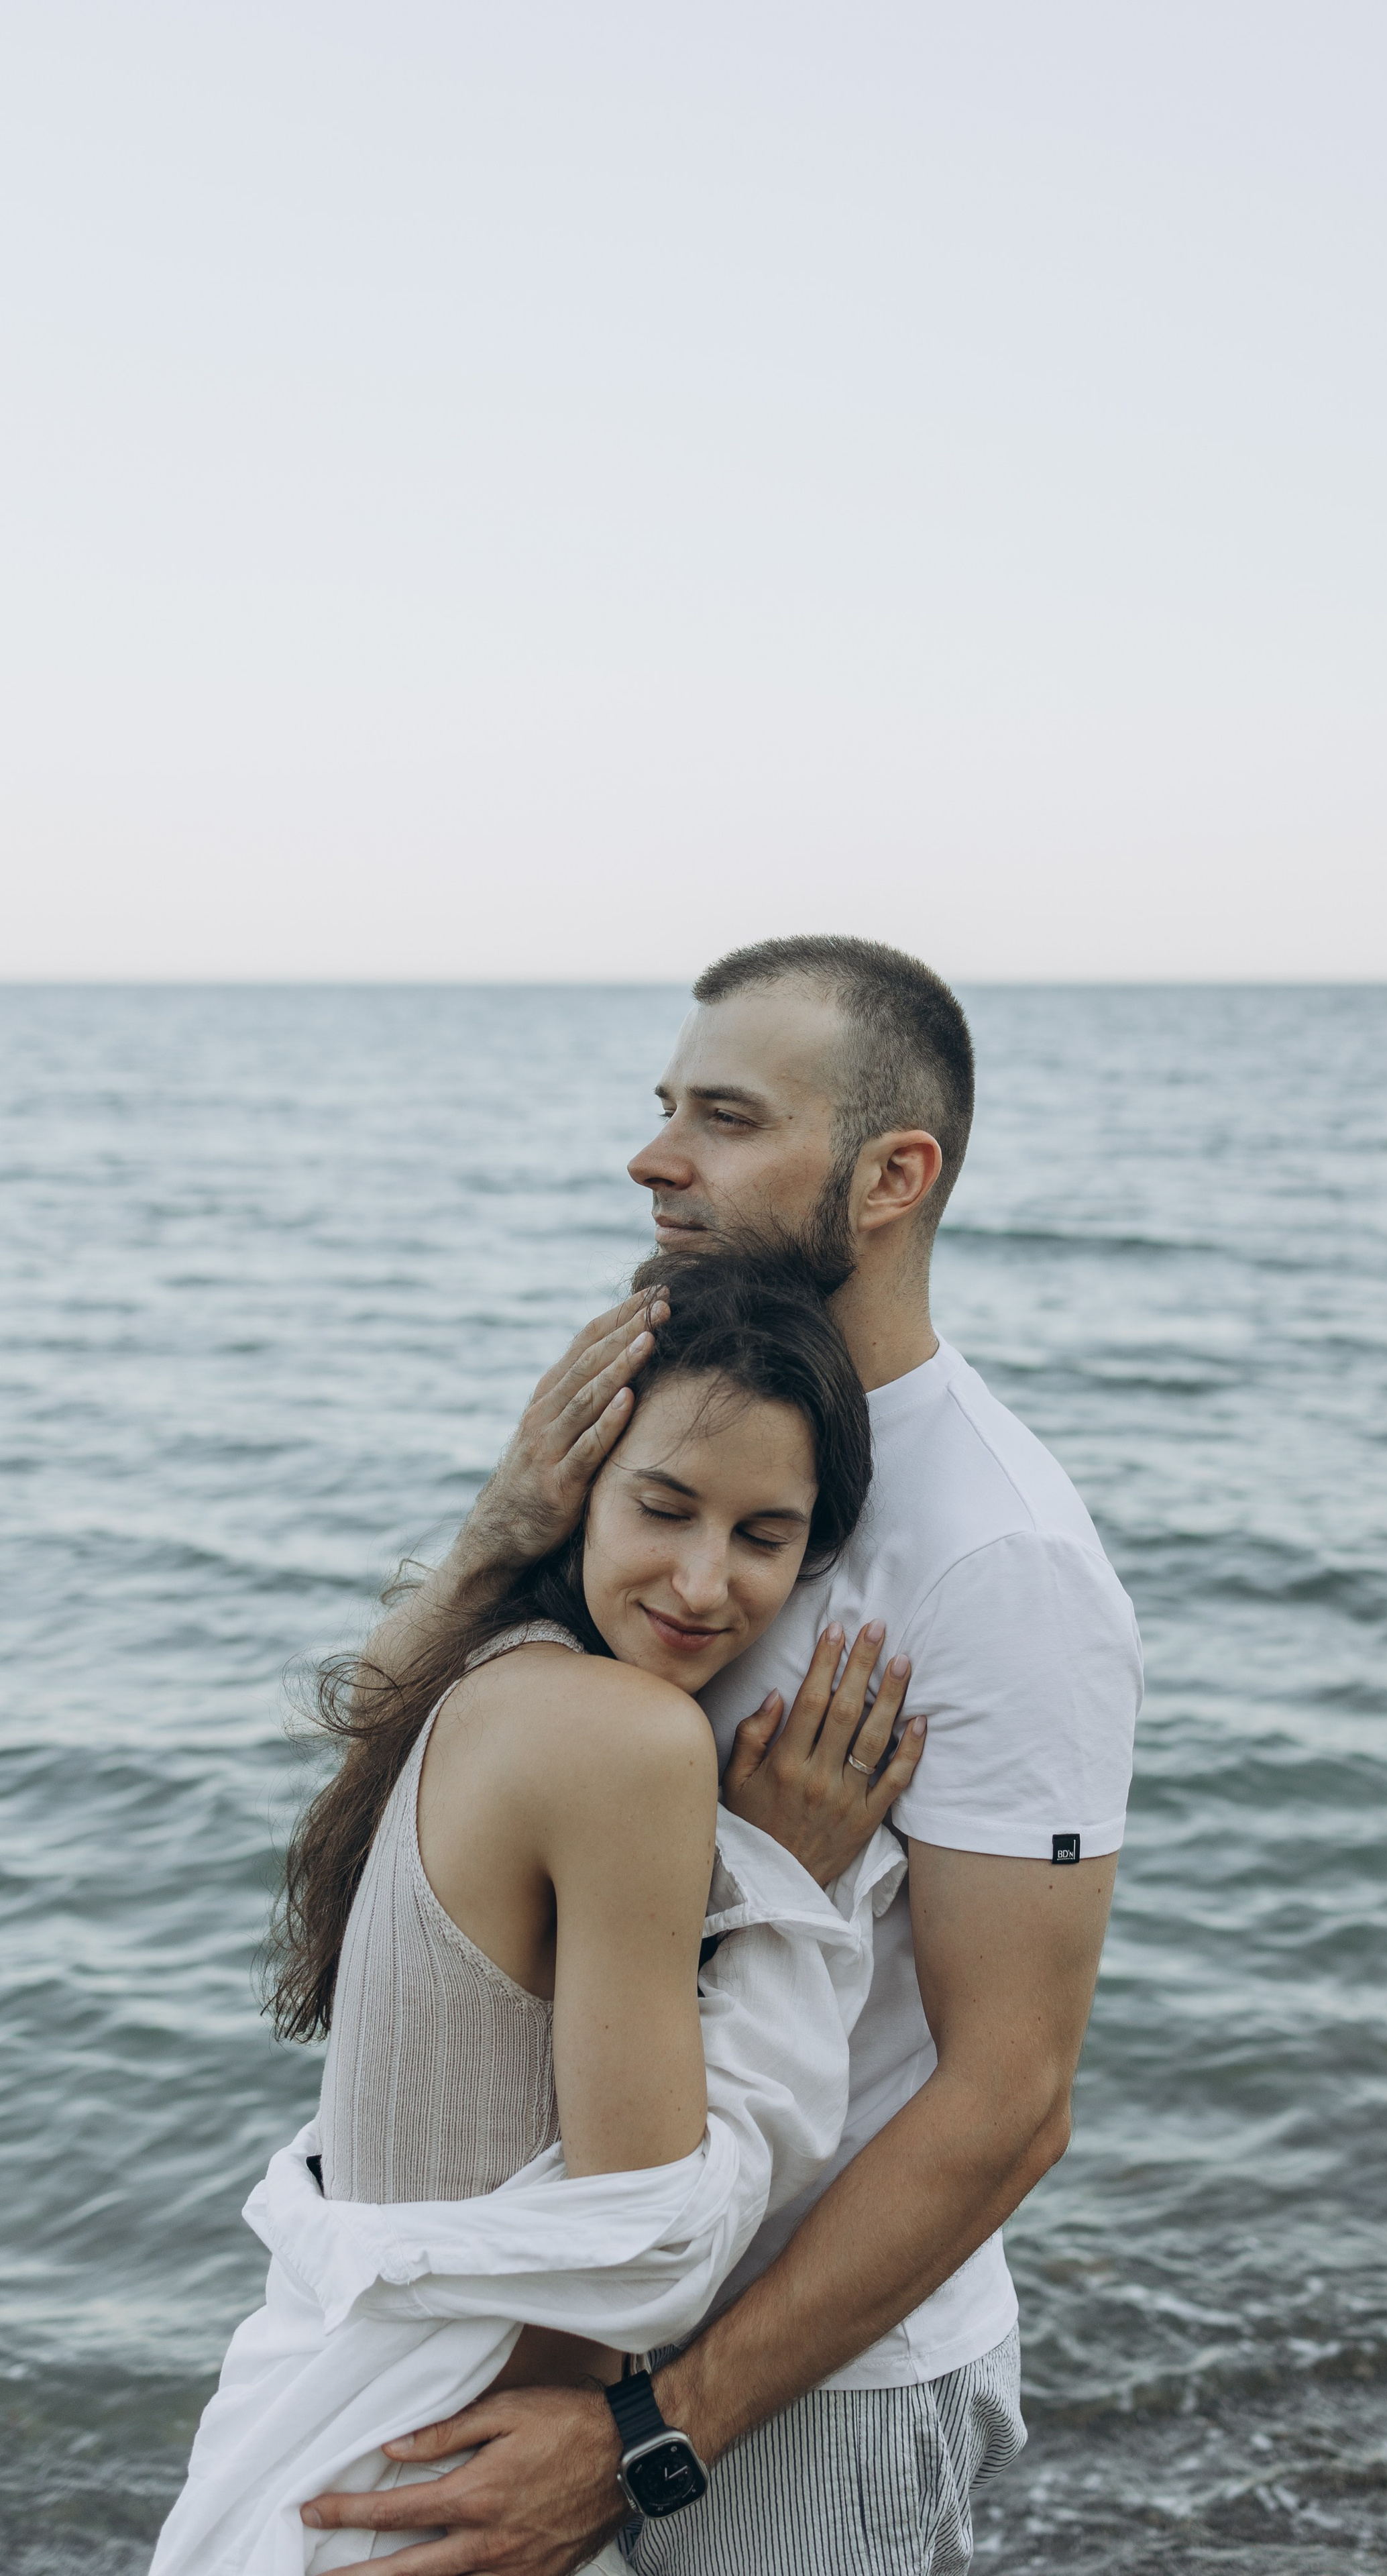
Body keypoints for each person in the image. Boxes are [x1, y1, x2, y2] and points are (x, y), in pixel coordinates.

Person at [301, 936, 1144, 2576]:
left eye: (726, 1118)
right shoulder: (676, 1404)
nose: (652, 1157)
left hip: (793, 2383)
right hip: (566, 2320)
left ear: (893, 1174)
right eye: (663, 1106)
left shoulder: (996, 1558)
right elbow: (386, 1765)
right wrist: (497, 1530)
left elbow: (1009, 2098)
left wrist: (653, 2434)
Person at [150, 1252, 925, 2576]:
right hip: (441, 2483)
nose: (699, 1584)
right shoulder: (626, 1738)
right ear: (580, 1492)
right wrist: (783, 1899)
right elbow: (640, 2255)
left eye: (762, 1537)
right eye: (663, 1508)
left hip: (323, 2440)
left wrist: (494, 1524)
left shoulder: (481, 1671)